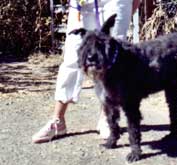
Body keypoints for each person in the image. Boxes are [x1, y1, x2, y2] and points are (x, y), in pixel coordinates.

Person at [32, 0, 140, 143]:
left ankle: (106, 119)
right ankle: (58, 121)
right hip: (82, 4)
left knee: (112, 60)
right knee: (72, 58)